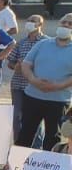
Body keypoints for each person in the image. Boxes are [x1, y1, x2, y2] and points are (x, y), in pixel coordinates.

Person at [15, 12, 72, 148]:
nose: (66, 25)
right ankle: (18, 160)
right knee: (25, 134)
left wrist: (57, 85)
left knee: (53, 137)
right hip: (33, 97)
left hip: (58, 101)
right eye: (63, 22)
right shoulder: (43, 44)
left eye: (70, 24)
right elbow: (26, 64)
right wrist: (33, 80)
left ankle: (49, 161)